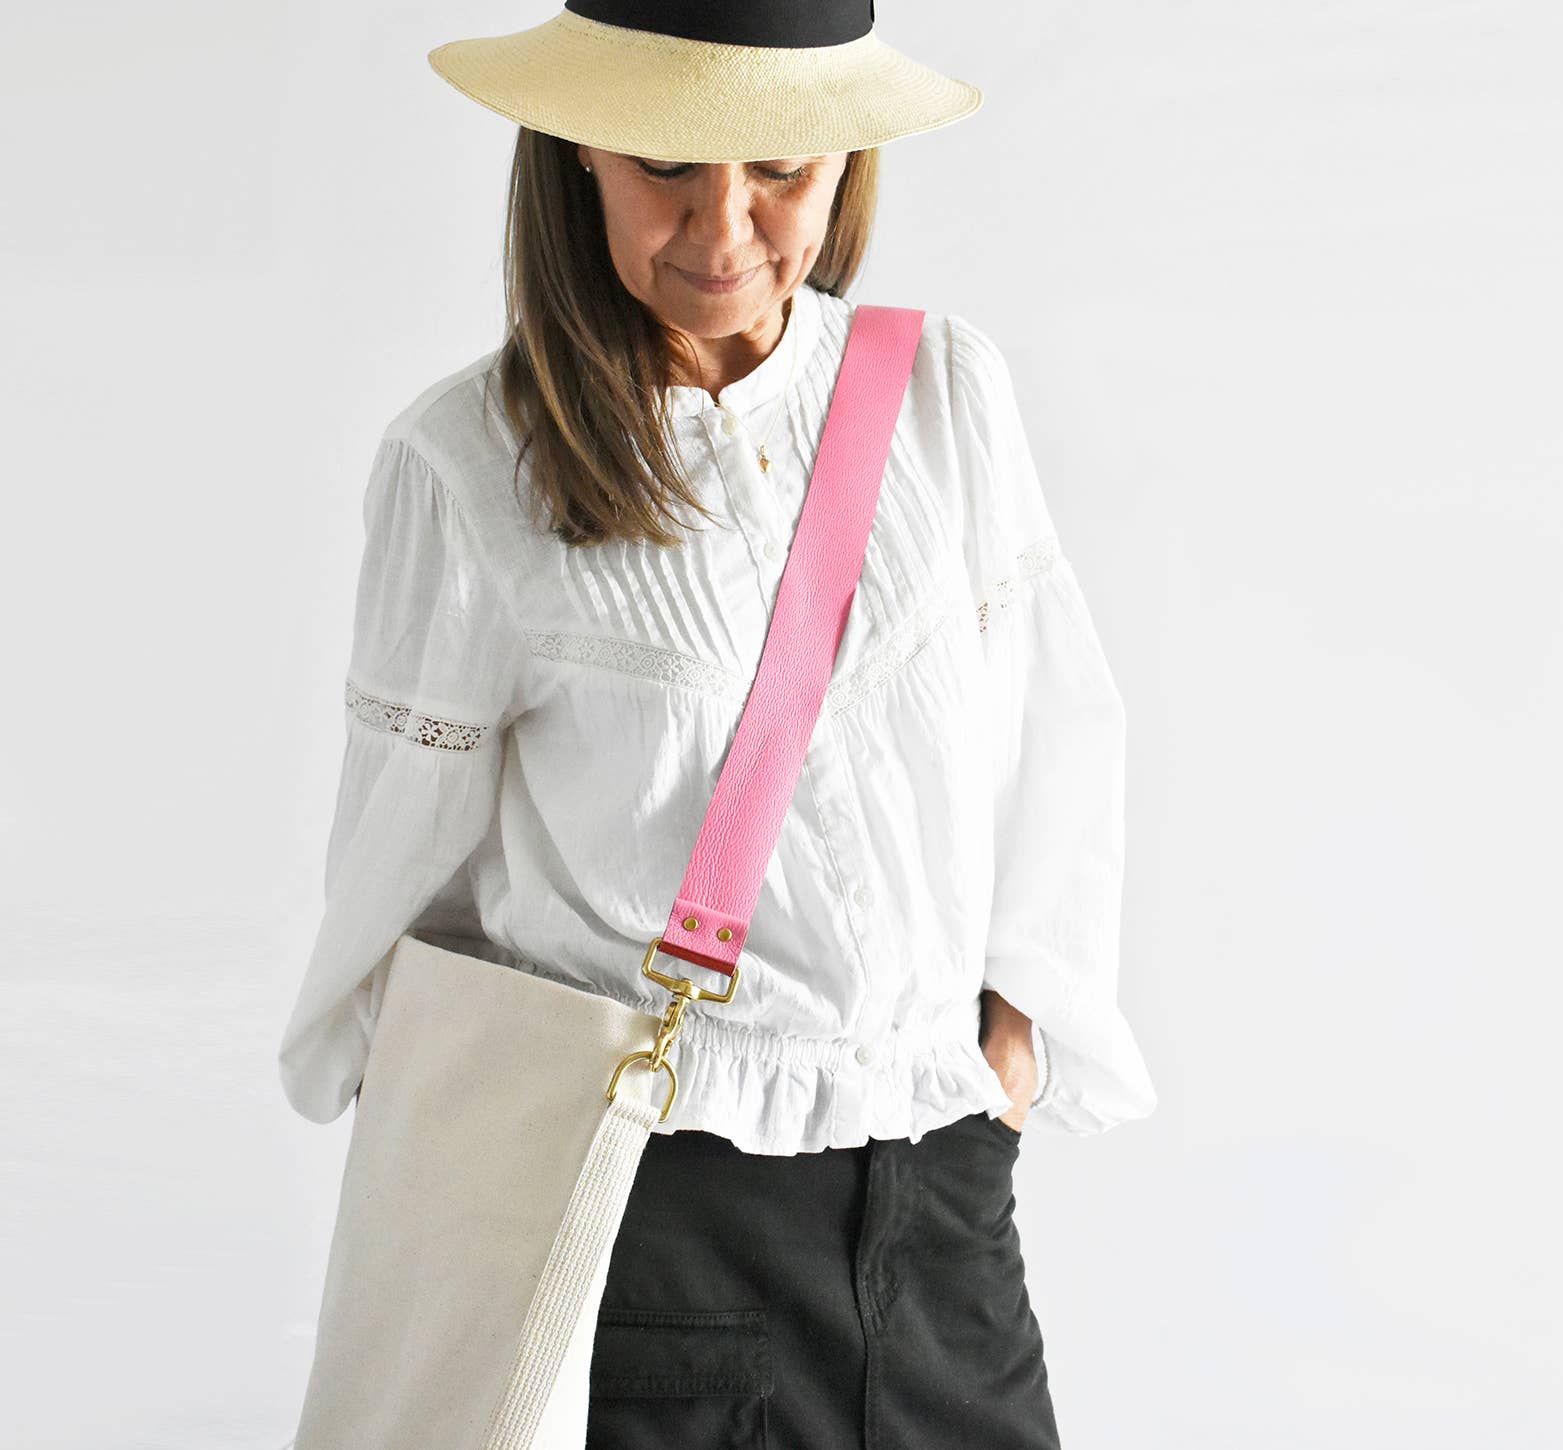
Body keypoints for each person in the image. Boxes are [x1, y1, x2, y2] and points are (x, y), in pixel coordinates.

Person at [276, 2, 1157, 1444]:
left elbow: (1057, 733)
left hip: (941, 1208)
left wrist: (1014, 1046)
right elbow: (403, 904)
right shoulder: (469, 467)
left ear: (847, 165)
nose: (722, 229)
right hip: (658, 1219)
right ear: (575, 157)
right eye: (663, 168)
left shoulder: (942, 395)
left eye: (781, 174)